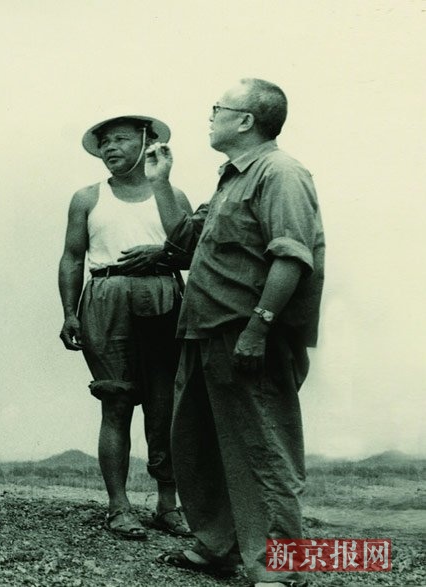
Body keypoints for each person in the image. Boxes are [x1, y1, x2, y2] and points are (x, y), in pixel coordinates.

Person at [145, 79, 325, 587]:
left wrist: (259, 327)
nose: (210, 116)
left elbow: (291, 257)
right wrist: (161, 183)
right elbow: (185, 242)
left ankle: (280, 569)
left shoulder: (281, 173)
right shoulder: (231, 179)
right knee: (198, 443)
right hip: (205, 331)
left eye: (217, 108)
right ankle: (218, 546)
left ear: (245, 120)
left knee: (264, 450)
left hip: (246, 333)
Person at [58, 115, 193, 541]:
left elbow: (192, 252)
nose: (110, 148)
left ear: (146, 141)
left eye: (120, 139)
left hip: (163, 297)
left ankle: (168, 505)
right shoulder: (87, 198)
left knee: (164, 406)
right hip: (106, 298)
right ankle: (118, 507)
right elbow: (72, 257)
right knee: (115, 402)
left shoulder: (172, 194)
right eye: (104, 142)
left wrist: (161, 253)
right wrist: (69, 312)